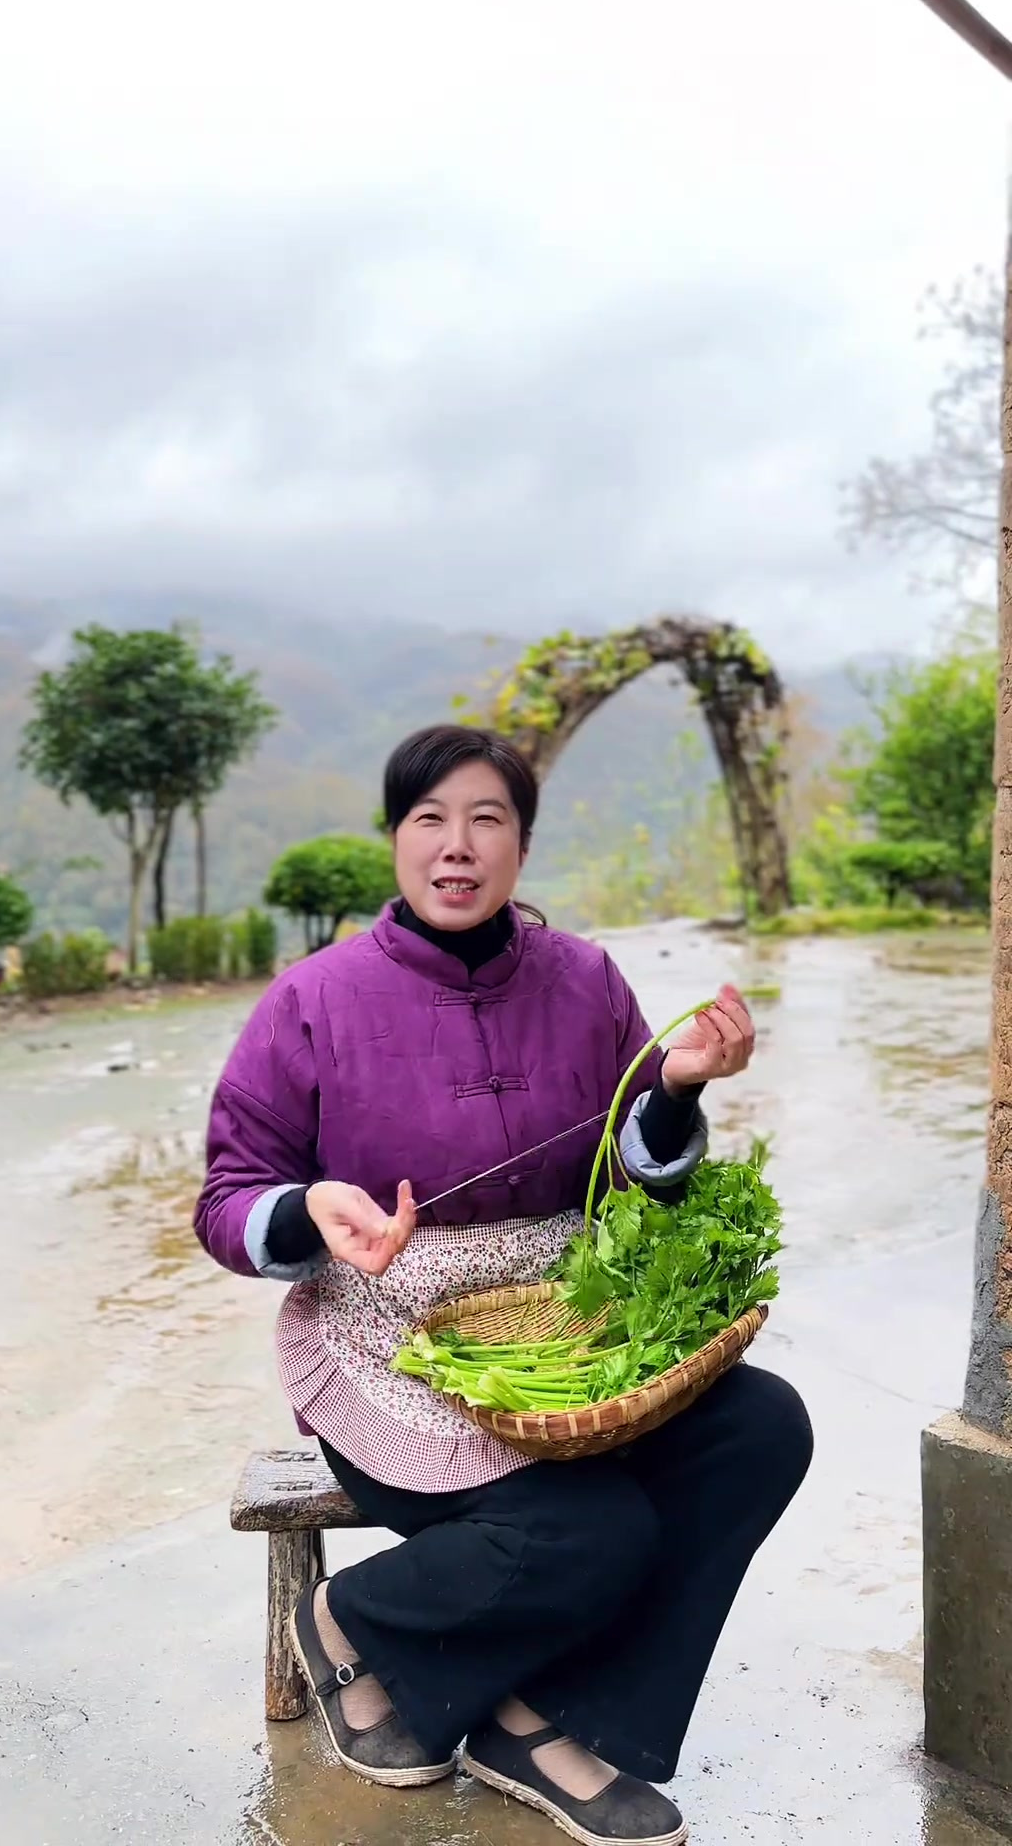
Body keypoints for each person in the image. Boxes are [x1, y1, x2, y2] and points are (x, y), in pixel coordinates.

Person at [195, 724, 812, 1846]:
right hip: (390, 1352)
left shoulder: (586, 979)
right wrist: (308, 1210)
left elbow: (631, 1177)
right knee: (593, 1530)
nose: (457, 845)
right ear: (395, 839)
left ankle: (555, 1719)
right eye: (429, 819)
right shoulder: (312, 999)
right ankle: (351, 1622)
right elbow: (227, 1201)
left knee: (761, 1429)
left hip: (564, 1332)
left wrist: (675, 1089)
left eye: (487, 819)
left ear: (521, 844)